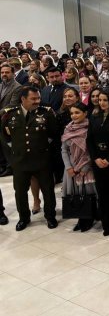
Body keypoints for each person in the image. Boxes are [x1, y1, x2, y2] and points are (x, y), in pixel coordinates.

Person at [0, 86, 59, 230]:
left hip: (42, 160)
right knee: (20, 192)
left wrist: (45, 151)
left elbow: (54, 134)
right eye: (33, 99)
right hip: (20, 162)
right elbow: (5, 137)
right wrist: (13, 157)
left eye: (38, 98)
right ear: (23, 99)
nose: (37, 101)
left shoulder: (46, 113)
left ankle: (50, 216)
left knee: (48, 191)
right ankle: (23, 218)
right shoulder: (9, 114)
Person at [87, 89, 109, 236]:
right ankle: (106, 224)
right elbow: (89, 139)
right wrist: (95, 158)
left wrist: (108, 159)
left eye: (105, 100)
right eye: (100, 100)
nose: (101, 103)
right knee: (102, 193)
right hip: (98, 160)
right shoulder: (95, 116)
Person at [61, 102, 97, 232]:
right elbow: (64, 149)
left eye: (77, 113)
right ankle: (81, 217)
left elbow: (92, 150)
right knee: (76, 194)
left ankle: (89, 218)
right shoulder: (68, 128)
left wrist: (85, 168)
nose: (74, 116)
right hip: (72, 166)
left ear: (85, 113)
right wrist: (68, 167)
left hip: (86, 167)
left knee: (88, 194)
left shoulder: (90, 127)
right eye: (71, 113)